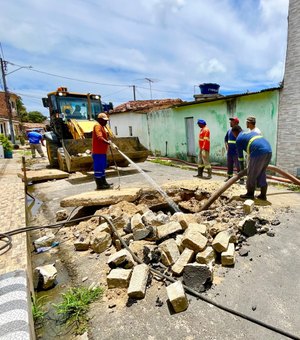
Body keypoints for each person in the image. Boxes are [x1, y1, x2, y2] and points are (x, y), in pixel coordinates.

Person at [231, 125, 272, 200]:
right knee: (261, 172)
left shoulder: (239, 139)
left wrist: (242, 170)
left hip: (258, 151)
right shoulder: (248, 133)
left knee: (251, 173)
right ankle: (263, 195)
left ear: (235, 132)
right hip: (268, 150)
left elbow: (240, 157)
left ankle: (250, 194)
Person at [92, 112, 116, 190]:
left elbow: (103, 137)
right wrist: (107, 142)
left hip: (102, 152)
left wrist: (108, 142)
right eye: (104, 120)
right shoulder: (97, 126)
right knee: (98, 168)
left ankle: (104, 183)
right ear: (99, 120)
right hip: (98, 152)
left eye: (106, 120)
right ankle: (99, 185)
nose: (106, 122)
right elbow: (99, 137)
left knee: (102, 167)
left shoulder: (102, 127)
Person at [224, 117, 244, 183]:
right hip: (230, 151)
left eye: (231, 121)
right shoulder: (229, 131)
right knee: (229, 165)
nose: (230, 122)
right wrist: (226, 145)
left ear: (236, 122)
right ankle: (229, 177)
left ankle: (241, 179)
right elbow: (226, 139)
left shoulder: (240, 131)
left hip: (236, 151)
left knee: (238, 165)